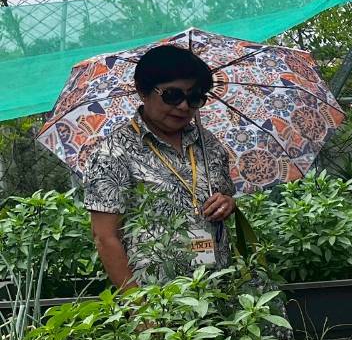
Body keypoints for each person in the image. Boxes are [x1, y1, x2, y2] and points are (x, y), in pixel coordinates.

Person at [83, 43, 237, 288]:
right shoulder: (112, 153)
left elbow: (225, 195)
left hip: (220, 290)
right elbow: (105, 237)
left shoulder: (209, 145)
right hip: (159, 302)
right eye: (173, 95)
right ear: (143, 91)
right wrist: (140, 310)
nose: (184, 106)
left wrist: (227, 202)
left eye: (194, 97)